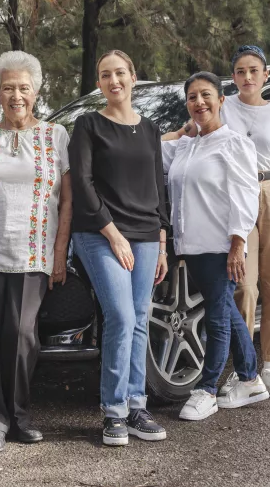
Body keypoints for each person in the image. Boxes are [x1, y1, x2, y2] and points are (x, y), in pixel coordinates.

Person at [165, 45, 270, 399]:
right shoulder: (220, 108)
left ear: (265, 75)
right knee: (242, 283)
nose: (247, 77)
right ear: (232, 80)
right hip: (231, 195)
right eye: (240, 71)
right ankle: (243, 370)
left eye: (253, 71)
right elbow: (184, 135)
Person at [0, 50, 72, 454]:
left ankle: (20, 416)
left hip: (34, 250)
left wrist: (60, 251)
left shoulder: (57, 137)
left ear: (36, 91)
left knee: (23, 335)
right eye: (8, 88)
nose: (16, 95)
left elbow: (67, 201)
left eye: (24, 87)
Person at [69, 50, 169, 446]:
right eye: (105, 75)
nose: (114, 81)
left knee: (141, 316)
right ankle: (113, 412)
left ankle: (136, 405)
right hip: (99, 232)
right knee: (122, 316)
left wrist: (161, 244)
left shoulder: (150, 130)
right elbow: (83, 183)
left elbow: (159, 190)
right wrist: (113, 234)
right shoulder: (88, 125)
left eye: (120, 73)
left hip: (146, 234)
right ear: (99, 83)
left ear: (133, 77)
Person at [162, 71, 268, 421]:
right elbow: (148, 150)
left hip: (221, 246)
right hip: (189, 247)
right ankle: (251, 378)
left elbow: (245, 196)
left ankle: (206, 389)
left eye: (206, 95)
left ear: (221, 100)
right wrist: (179, 132)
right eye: (192, 97)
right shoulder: (185, 146)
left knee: (219, 318)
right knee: (225, 310)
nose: (199, 102)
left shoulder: (234, 143)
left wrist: (238, 243)